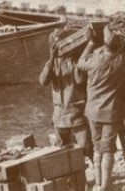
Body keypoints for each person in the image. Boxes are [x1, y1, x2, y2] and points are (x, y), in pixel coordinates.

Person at [77, 24, 125, 190]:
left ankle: (98, 182)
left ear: (105, 45)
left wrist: (90, 43)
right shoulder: (123, 60)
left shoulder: (94, 60)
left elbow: (80, 63)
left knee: (97, 148)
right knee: (108, 148)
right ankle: (106, 185)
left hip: (92, 111)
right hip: (111, 112)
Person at [39, 28, 92, 159]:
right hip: (59, 116)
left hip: (76, 114)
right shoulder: (52, 64)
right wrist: (52, 58)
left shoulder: (74, 60)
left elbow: (80, 80)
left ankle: (96, 174)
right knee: (63, 153)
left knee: (86, 147)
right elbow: (43, 81)